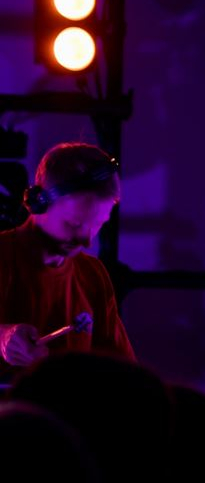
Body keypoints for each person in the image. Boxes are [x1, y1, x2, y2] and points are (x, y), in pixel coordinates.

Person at [0, 142, 131, 374]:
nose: (87, 240)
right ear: (38, 202)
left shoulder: (92, 275)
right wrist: (2, 336)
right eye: (74, 224)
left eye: (97, 224)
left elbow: (123, 373)